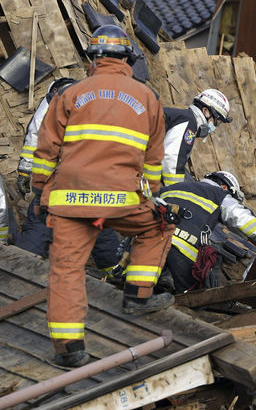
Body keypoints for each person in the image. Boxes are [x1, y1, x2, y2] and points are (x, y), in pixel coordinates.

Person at [31, 24, 173, 367]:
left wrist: (41, 192)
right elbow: (154, 161)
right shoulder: (148, 99)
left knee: (66, 270)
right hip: (122, 201)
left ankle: (69, 351)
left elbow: (46, 149)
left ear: (93, 58)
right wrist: (152, 197)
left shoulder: (71, 94)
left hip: (69, 200)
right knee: (158, 227)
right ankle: (138, 296)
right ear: (128, 58)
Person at [14, 77, 121, 269]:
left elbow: (36, 132)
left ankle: (22, 268)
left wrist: (25, 170)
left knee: (41, 222)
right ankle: (115, 272)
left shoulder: (56, 98)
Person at [159, 170, 256, 293]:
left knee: (148, 285)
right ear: (224, 187)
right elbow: (240, 217)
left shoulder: (173, 187)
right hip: (183, 248)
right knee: (190, 294)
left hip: (153, 241)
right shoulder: (219, 194)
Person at [162, 89, 232, 186]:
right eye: (216, 121)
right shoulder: (189, 121)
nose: (215, 126)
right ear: (206, 111)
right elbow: (172, 159)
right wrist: (175, 192)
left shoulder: (185, 118)